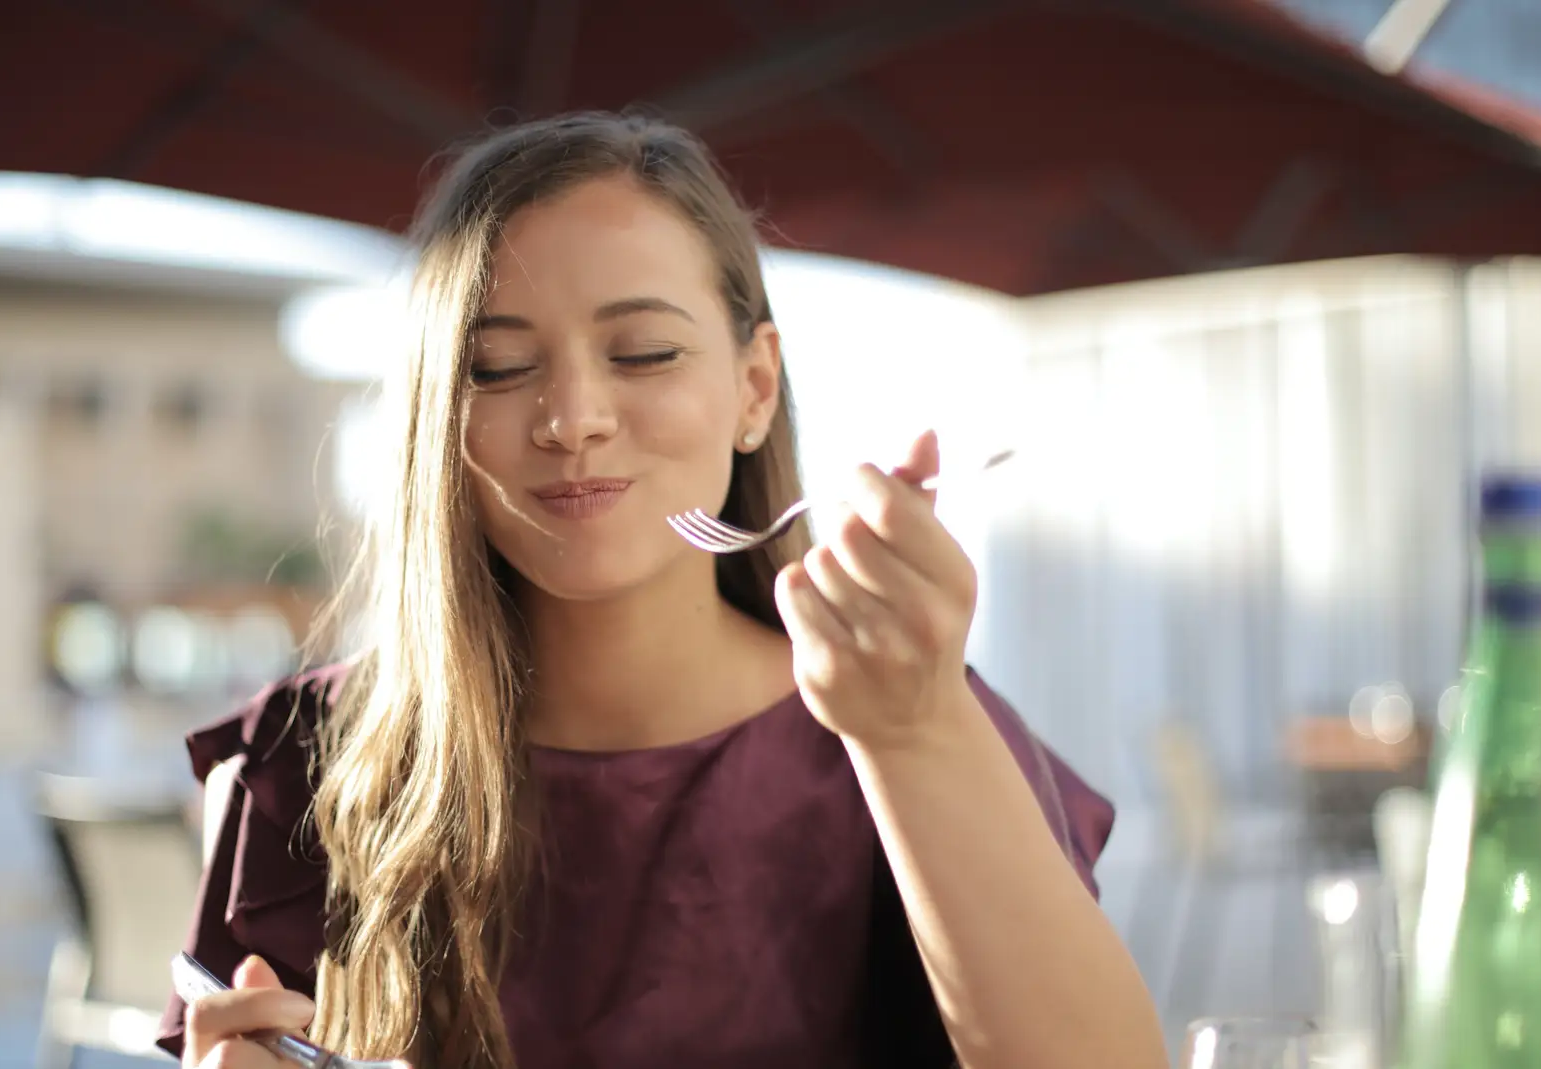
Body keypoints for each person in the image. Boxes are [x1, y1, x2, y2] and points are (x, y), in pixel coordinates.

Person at [157, 111, 1164, 1069]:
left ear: (754, 387)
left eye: (642, 352)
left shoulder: (902, 720)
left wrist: (917, 732)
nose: (572, 417)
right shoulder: (307, 762)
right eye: (499, 368)